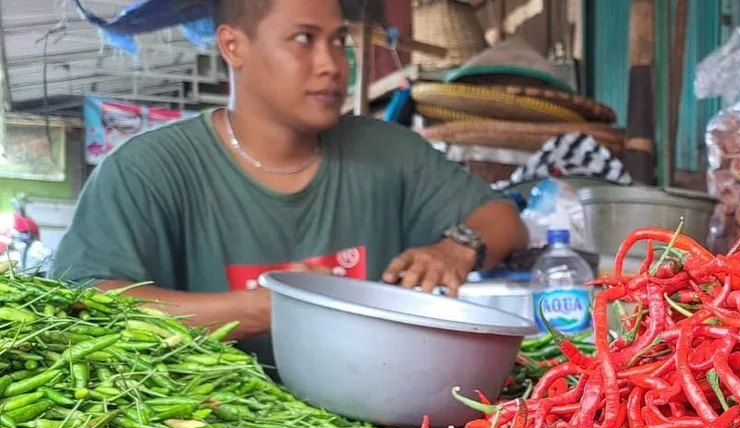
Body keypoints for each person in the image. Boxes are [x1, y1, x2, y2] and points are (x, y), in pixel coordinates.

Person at [52, 0, 528, 365]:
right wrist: (260, 309)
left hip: (380, 420)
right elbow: (85, 304)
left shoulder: (388, 152)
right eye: (304, 39)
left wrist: (456, 247)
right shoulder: (148, 169)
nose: (332, 64)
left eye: (338, 41)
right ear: (233, 46)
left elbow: (503, 219)